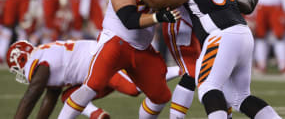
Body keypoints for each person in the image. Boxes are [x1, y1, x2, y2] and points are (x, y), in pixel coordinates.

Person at [125, 0, 281, 119]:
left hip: (220, 35)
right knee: (240, 98)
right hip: (243, 32)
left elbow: (157, 1)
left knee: (208, 88)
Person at [58, 0, 181, 119]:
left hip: (141, 46)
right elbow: (129, 20)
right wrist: (158, 17)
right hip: (116, 40)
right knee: (93, 85)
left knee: (160, 96)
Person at [6, 40, 178, 119]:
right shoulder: (45, 55)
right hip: (91, 74)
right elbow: (50, 97)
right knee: (68, 97)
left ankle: (182, 70)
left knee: (133, 89)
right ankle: (96, 115)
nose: (19, 73)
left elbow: (33, 93)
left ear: (21, 59)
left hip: (102, 62)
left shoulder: (39, 61)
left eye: (17, 69)